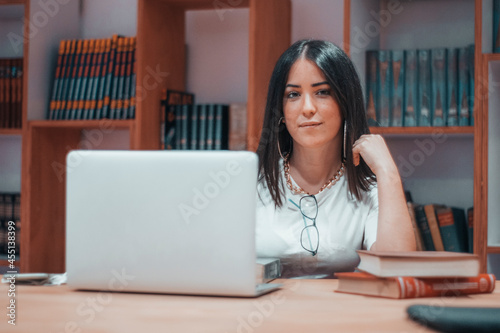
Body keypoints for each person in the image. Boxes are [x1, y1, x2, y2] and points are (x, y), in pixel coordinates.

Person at [255, 39, 416, 278]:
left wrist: (387, 171)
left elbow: (397, 270)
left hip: (342, 313)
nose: (307, 107)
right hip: (262, 312)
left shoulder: (367, 188)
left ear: (345, 102)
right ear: (280, 110)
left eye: (322, 92)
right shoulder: (251, 183)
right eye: (293, 94)